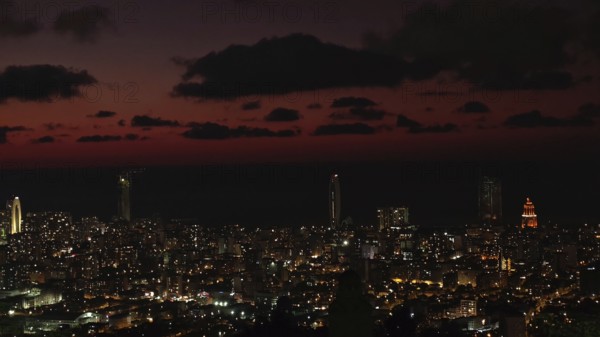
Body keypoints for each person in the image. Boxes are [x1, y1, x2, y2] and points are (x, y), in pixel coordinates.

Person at [328, 269, 374, 337]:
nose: (352, 290)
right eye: (349, 287)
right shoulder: (336, 309)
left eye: (355, 286)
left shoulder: (365, 308)